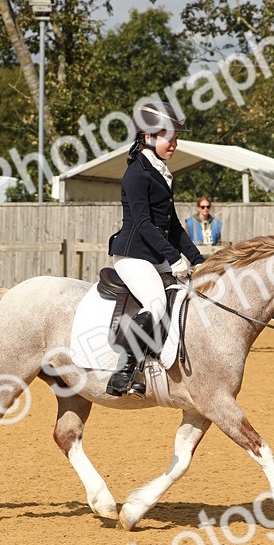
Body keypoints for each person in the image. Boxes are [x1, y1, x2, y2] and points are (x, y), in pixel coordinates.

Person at [106, 102, 205, 396]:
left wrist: (198, 259)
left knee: (189, 294)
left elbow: (173, 226)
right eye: (169, 138)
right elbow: (144, 223)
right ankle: (123, 372)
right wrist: (174, 258)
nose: (175, 144)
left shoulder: (159, 171)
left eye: (176, 139)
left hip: (154, 254)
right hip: (132, 254)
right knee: (156, 302)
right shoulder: (137, 174)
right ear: (148, 136)